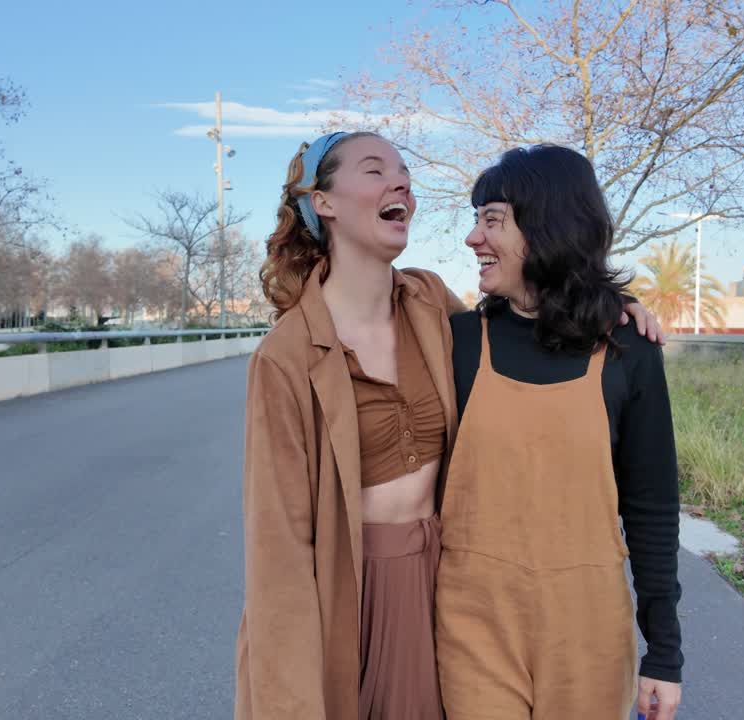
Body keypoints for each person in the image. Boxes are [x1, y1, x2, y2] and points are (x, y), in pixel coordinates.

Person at [234, 132, 663, 720]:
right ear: (323, 202)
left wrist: (610, 308)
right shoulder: (285, 357)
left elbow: (531, 331)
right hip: (355, 588)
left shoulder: (432, 304)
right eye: (374, 168)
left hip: (450, 585)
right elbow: (277, 544)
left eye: (405, 171)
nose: (401, 181)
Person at [438, 144, 684, 720]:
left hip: (590, 631)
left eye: (491, 220)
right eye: (476, 220)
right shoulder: (456, 341)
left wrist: (664, 654)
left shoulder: (627, 350)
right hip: (472, 623)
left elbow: (651, 508)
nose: (473, 238)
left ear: (548, 226)